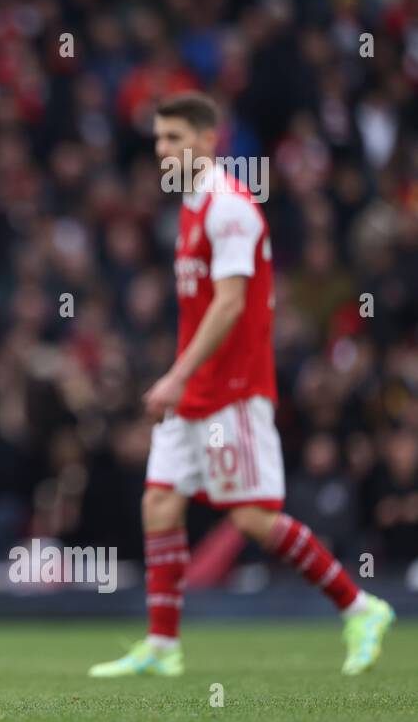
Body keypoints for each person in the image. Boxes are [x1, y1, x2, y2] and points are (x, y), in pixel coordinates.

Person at [89, 91, 395, 678]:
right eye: (158, 139)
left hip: (232, 390)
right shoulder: (192, 207)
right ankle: (163, 644)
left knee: (254, 518)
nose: (162, 150)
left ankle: (361, 607)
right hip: (195, 390)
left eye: (174, 138)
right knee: (159, 500)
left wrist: (175, 374)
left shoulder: (231, 208)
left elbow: (229, 306)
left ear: (207, 141)